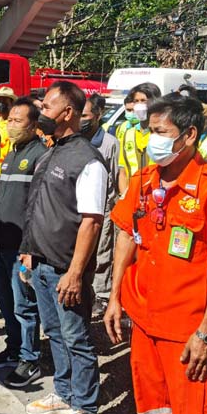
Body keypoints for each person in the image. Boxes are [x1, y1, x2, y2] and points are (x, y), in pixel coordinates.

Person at [105, 94, 207, 414]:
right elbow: (127, 235)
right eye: (151, 130)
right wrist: (114, 298)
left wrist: (205, 332)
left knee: (194, 413)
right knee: (152, 408)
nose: (152, 139)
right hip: (143, 319)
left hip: (186, 330)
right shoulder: (144, 180)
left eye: (161, 131)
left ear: (189, 136)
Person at [20, 81, 105, 414]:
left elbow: (91, 222)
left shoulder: (88, 160)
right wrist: (28, 251)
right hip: (39, 262)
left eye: (46, 107)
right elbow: (38, 206)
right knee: (55, 332)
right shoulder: (52, 150)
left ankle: (86, 408)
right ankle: (65, 393)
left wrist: (74, 273)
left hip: (66, 269)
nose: (41, 113)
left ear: (67, 112)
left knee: (77, 337)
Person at [0, 97, 46, 388]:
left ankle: (30, 359)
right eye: (9, 120)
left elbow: (39, 207)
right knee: (5, 299)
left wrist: (30, 248)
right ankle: (13, 348)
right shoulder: (11, 154)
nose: (10, 126)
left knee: (24, 305)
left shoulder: (39, 155)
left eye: (17, 121)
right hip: (2, 241)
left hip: (23, 245)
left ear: (33, 125)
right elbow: (1, 197)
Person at [80, 94, 119, 316]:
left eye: (86, 115)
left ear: (98, 116)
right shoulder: (74, 138)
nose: (82, 120)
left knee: (102, 252)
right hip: (78, 206)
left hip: (103, 206)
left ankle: (101, 296)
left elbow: (114, 175)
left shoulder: (109, 143)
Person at [118, 82, 162, 195]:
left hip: (156, 196)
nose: (139, 105)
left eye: (143, 100)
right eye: (136, 101)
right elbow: (122, 171)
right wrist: (125, 197)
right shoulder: (128, 134)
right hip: (132, 195)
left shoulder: (163, 134)